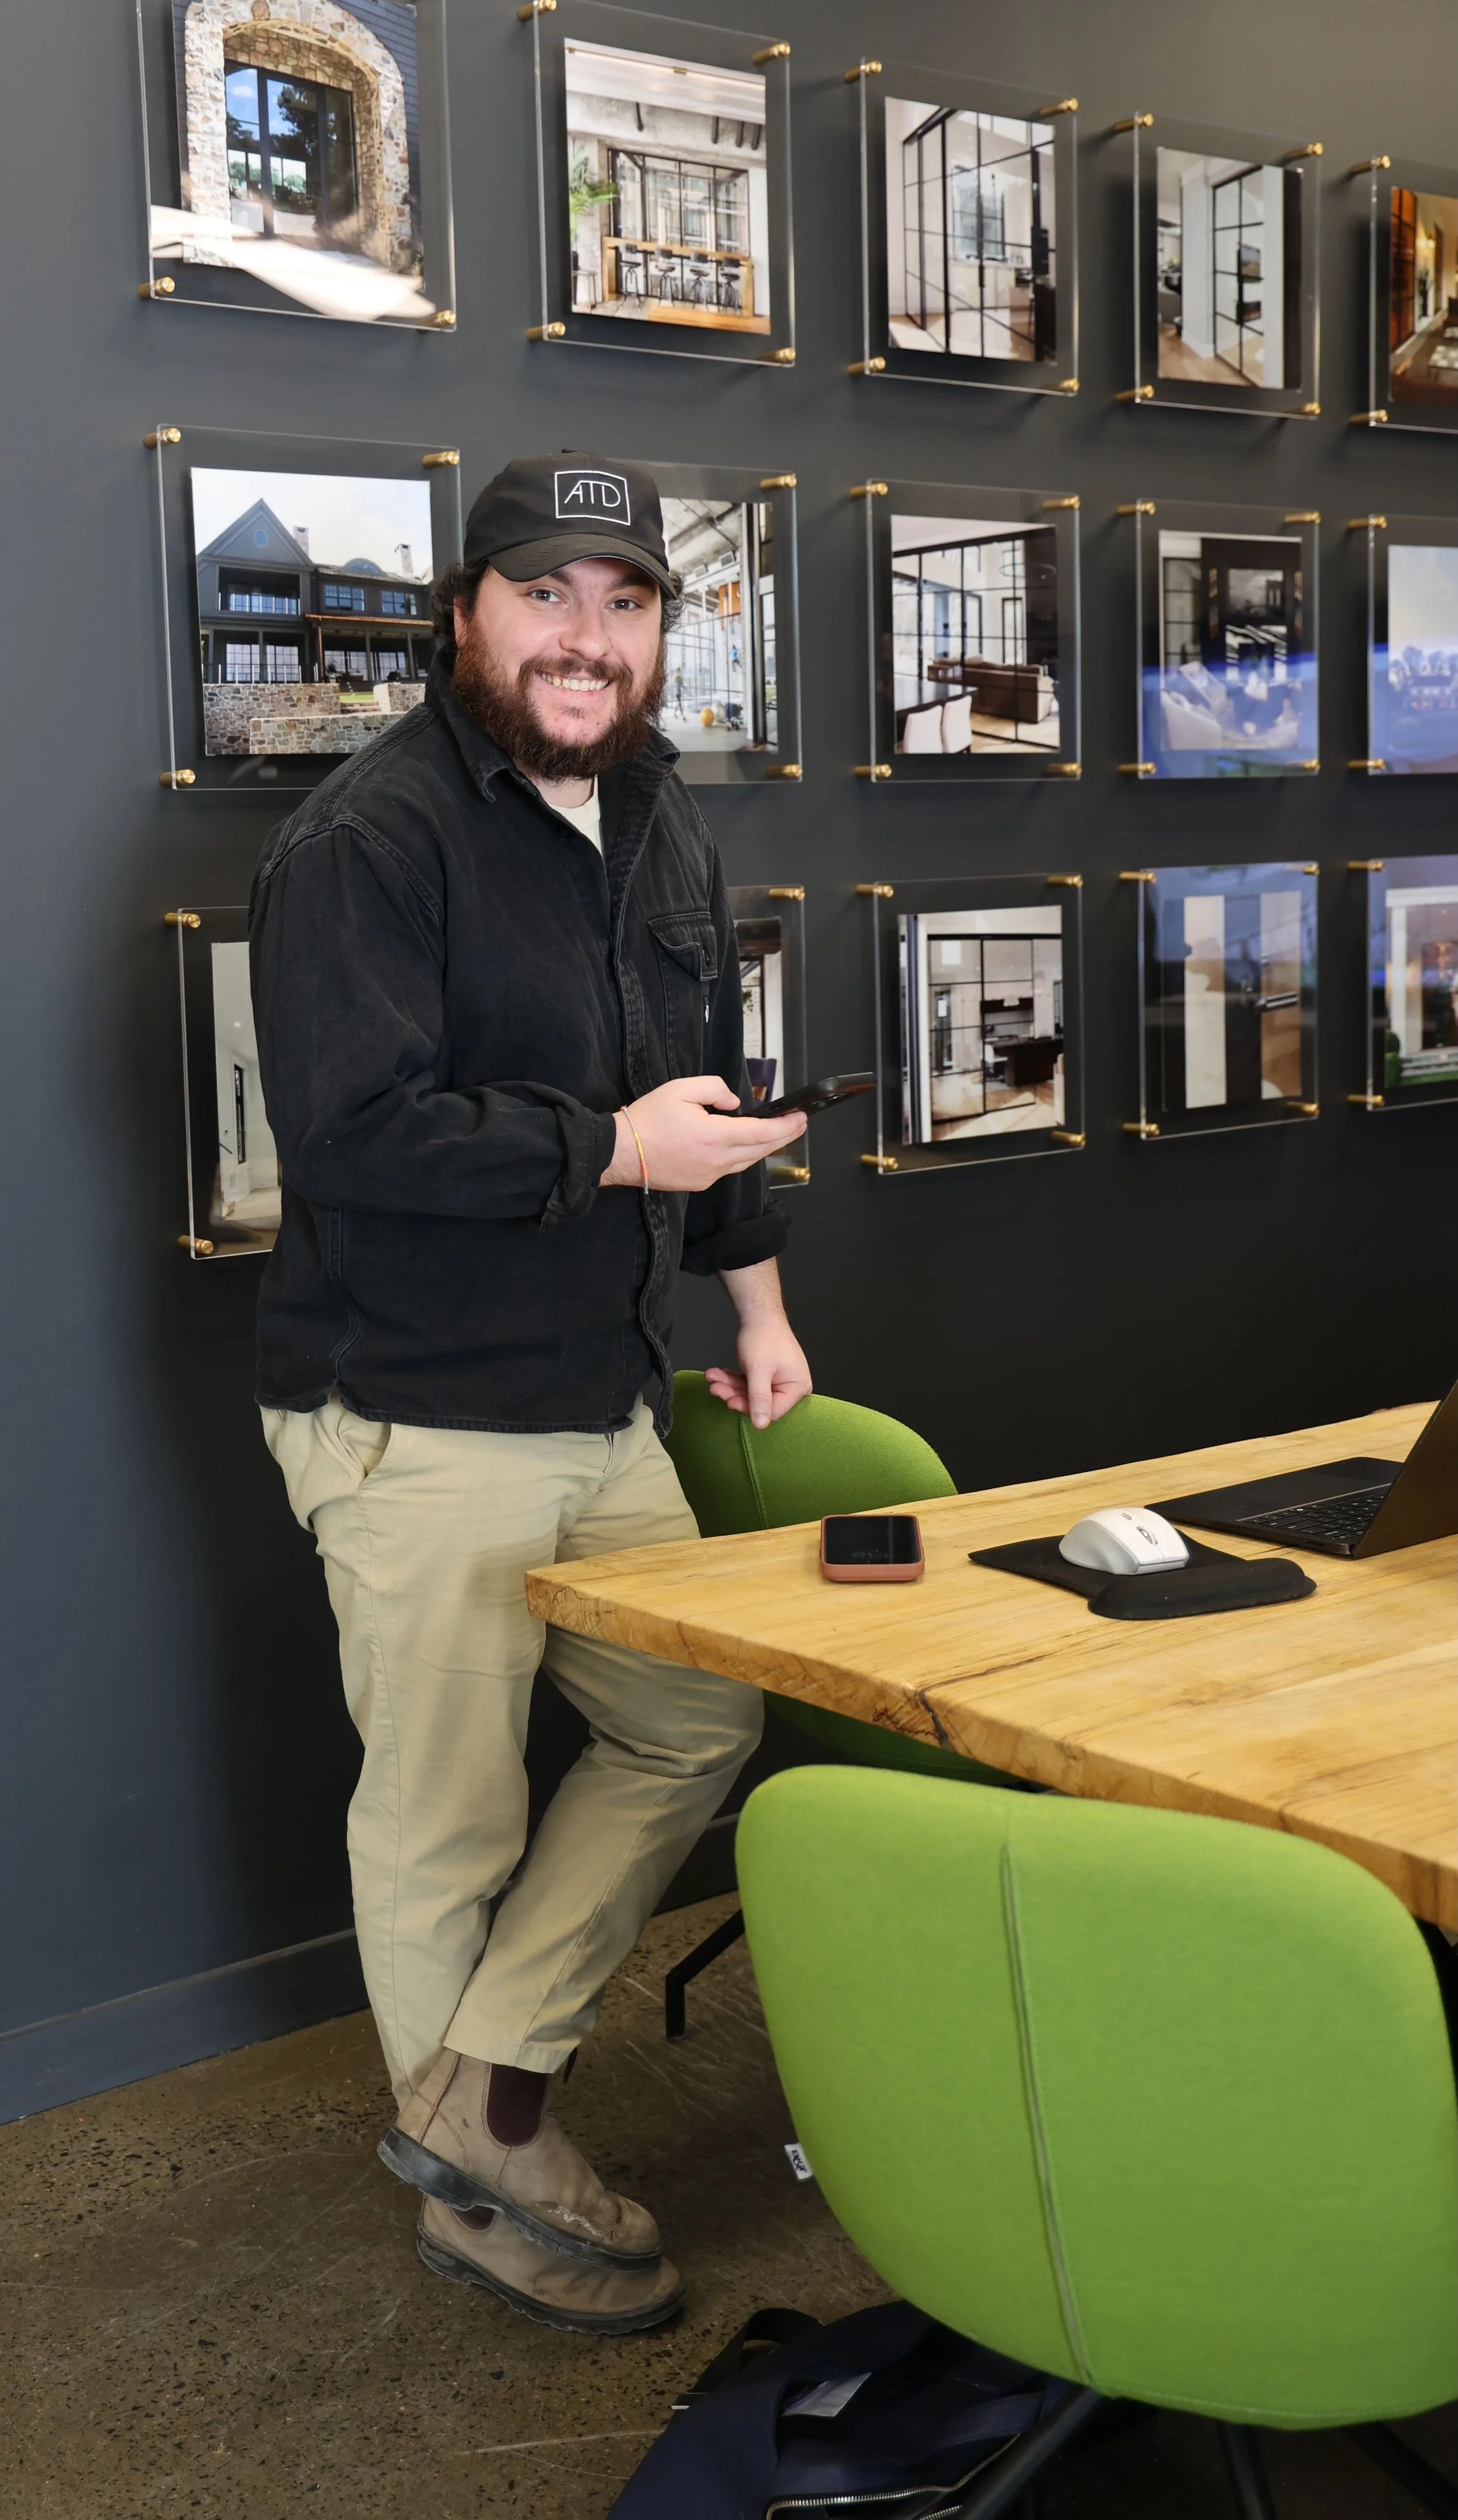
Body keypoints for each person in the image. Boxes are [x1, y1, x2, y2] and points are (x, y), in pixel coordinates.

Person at [250, 454, 812, 2336]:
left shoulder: (655, 810)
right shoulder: (365, 838)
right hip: (410, 1413)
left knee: (690, 1723)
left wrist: (754, 1295)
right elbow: (353, 1137)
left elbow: (701, 1076)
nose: (588, 637)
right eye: (546, 595)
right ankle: (486, 2199)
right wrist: (618, 1152)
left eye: (624, 601)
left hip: (600, 1394)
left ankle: (477, 2100)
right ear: (465, 616)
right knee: (445, 1821)